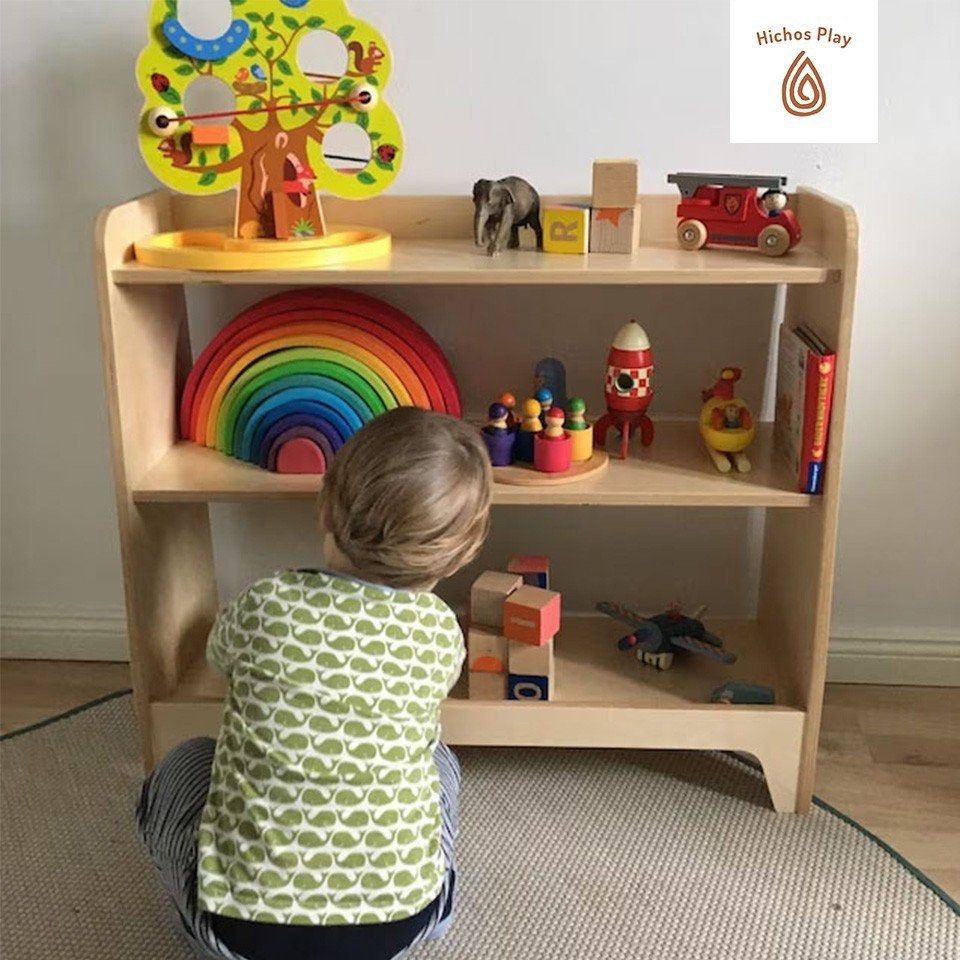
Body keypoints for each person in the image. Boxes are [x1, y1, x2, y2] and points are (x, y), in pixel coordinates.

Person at [137, 408, 492, 960]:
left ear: (324, 504)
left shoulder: (264, 602)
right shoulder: (442, 634)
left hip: (240, 935)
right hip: (398, 928)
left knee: (184, 762)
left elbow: (218, 659)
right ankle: (419, 902)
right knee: (441, 763)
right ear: (462, 553)